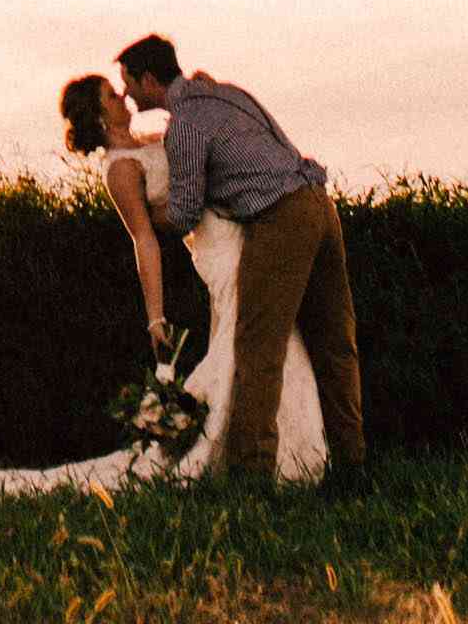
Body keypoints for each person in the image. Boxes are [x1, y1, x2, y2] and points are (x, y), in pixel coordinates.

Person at [0, 66, 329, 499]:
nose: (124, 98)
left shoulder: (159, 139)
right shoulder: (122, 169)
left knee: (261, 338)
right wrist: (156, 318)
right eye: (112, 96)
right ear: (99, 117)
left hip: (240, 233)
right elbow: (144, 241)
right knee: (257, 340)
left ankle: (281, 455)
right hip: (217, 251)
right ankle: (263, 460)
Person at [126, 32, 360, 492]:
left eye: (129, 82)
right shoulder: (230, 94)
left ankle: (250, 478)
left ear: (150, 79)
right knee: (336, 344)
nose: (128, 94)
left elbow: (187, 209)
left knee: (258, 349)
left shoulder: (186, 125)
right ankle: (353, 468)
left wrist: (147, 215)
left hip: (281, 218)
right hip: (319, 203)